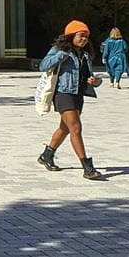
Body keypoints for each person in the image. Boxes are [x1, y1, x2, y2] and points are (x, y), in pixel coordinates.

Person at [37, 20, 102, 180]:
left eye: (86, 37)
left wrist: (96, 81)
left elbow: (91, 77)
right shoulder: (59, 50)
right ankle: (87, 167)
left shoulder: (85, 55)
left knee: (65, 128)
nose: (84, 39)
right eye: (81, 36)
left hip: (77, 95)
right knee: (76, 128)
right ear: (71, 35)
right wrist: (62, 55)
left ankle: (47, 154)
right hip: (62, 94)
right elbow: (43, 65)